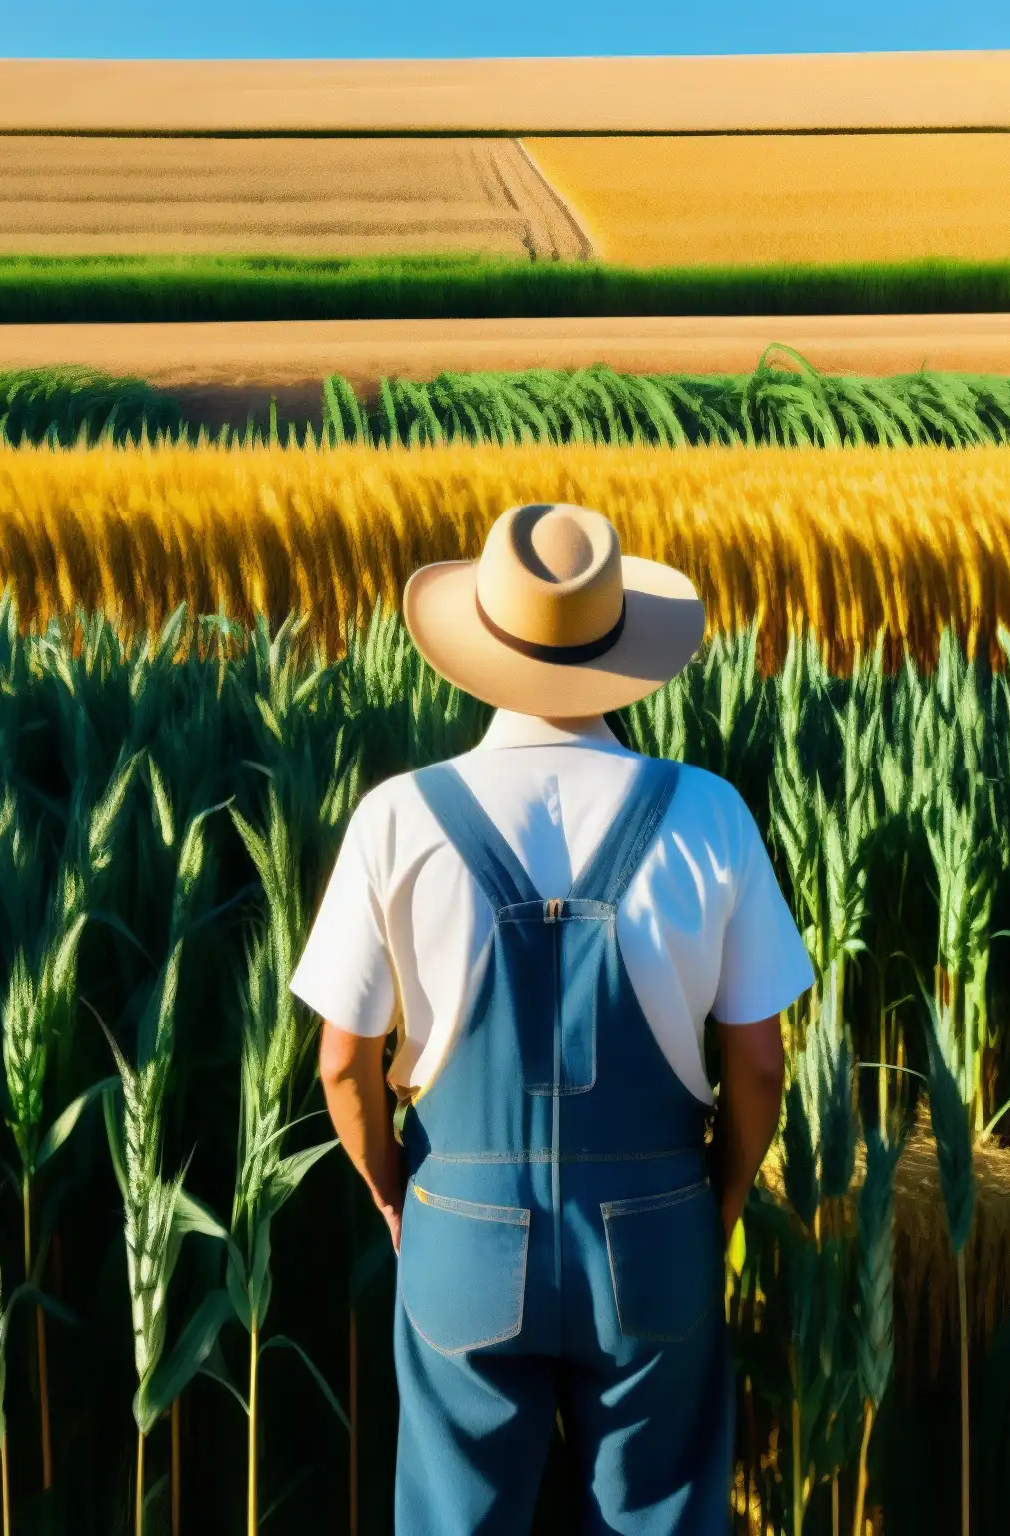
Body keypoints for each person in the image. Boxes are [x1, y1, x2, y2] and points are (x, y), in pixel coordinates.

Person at [291, 502, 810, 1536]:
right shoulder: (708, 812)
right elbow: (757, 1063)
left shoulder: (397, 813)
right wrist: (719, 1197)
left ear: (481, 648)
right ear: (622, 652)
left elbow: (343, 1062)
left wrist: (397, 1196)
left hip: (459, 1231)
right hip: (657, 1227)